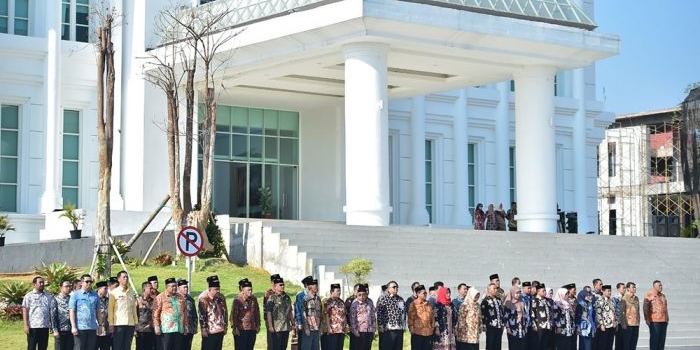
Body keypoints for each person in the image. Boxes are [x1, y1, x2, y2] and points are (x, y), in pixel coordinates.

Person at [153, 277, 188, 350]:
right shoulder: (160, 297)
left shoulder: (180, 297)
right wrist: (156, 326)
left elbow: (184, 312)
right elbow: (155, 313)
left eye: (175, 286)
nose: (174, 288)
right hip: (166, 330)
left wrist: (185, 326)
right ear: (166, 287)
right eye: (172, 286)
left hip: (179, 329)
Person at [70, 274, 100, 350]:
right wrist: (73, 327)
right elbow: (72, 311)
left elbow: (98, 311)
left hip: (92, 327)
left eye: (91, 281)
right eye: (87, 281)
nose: (89, 283)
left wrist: (99, 325)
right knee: (79, 348)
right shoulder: (75, 295)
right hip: (80, 327)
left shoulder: (95, 295)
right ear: (81, 282)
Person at [109, 270, 138, 350]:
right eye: (124, 277)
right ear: (119, 279)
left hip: (130, 324)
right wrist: (111, 324)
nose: (126, 279)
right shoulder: (114, 292)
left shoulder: (131, 292)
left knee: (127, 346)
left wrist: (136, 322)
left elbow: (134, 309)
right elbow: (110, 309)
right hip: (119, 324)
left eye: (127, 277)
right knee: (117, 346)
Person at [23, 276, 53, 350]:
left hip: (44, 326)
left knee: (43, 347)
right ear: (34, 284)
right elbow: (25, 310)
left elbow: (51, 310)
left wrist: (51, 324)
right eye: (40, 282)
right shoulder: (29, 296)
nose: (42, 284)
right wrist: (26, 325)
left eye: (43, 282)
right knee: (31, 347)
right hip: (33, 326)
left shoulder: (48, 296)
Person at [199, 275, 227, 350]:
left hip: (220, 330)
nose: (218, 291)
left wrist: (225, 325)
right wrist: (203, 328)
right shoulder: (204, 299)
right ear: (210, 289)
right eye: (216, 289)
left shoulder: (221, 298)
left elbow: (225, 312)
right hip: (210, 332)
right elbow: (202, 316)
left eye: (219, 289)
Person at [266, 275, 294, 350]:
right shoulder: (272, 298)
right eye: (280, 285)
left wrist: (293, 323)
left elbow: (290, 311)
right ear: (275, 287)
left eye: (283, 284)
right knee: (276, 347)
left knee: (283, 347)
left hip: (286, 327)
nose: (282, 286)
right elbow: (268, 312)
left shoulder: (287, 297)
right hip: (276, 327)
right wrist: (270, 326)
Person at [231, 278, 260, 350]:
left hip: (252, 329)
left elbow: (257, 312)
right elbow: (234, 315)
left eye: (251, 290)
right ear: (243, 290)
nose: (250, 292)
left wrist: (258, 325)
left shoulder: (254, 299)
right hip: (241, 329)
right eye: (248, 290)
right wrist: (235, 328)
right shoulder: (237, 300)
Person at [377, 280, 406, 350]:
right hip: (388, 329)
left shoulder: (400, 299)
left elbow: (403, 312)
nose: (396, 288)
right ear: (388, 288)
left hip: (399, 329)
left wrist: (403, 325)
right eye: (394, 287)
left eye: (397, 287)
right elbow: (379, 312)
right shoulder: (383, 298)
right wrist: (380, 325)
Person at [407, 285, 435, 350]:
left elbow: (432, 318)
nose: (425, 294)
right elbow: (410, 319)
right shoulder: (413, 304)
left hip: (428, 334)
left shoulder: (429, 304)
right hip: (417, 334)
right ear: (418, 294)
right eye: (423, 293)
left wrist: (432, 328)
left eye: (426, 293)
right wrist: (412, 330)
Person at [349, 284, 375, 350]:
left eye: (363, 294)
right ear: (356, 295)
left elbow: (373, 316)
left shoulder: (370, 302)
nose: (362, 296)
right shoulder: (355, 304)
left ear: (366, 294)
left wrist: (373, 330)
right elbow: (352, 319)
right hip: (359, 331)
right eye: (359, 295)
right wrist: (355, 331)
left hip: (369, 331)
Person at [643, 280, 668, 350]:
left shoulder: (663, 296)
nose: (661, 287)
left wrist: (667, 319)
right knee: (654, 340)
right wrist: (646, 319)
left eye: (661, 285)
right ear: (654, 286)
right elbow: (645, 308)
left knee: (661, 341)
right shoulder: (649, 295)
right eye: (659, 285)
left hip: (664, 320)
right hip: (654, 321)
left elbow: (665, 308)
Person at [481, 283, 504, 350]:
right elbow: (483, 313)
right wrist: (483, 325)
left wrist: (502, 323)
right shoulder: (485, 301)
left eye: (496, 288)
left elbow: (501, 312)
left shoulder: (498, 300)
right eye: (494, 288)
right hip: (490, 327)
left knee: (498, 345)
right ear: (489, 290)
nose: (495, 290)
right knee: (490, 345)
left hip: (499, 326)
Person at [323, 283, 346, 350]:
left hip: (341, 329)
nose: (339, 292)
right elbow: (326, 315)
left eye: (340, 290)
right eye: (337, 291)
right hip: (333, 330)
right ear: (331, 291)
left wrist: (345, 325)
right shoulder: (328, 302)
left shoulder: (341, 301)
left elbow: (344, 314)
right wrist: (329, 327)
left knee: (339, 348)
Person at [52, 279, 73, 350]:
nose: (69, 288)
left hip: (70, 330)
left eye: (70, 286)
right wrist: (55, 330)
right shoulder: (55, 299)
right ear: (61, 287)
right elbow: (53, 316)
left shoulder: (72, 298)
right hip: (60, 330)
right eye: (66, 286)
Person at [503, 286, 527, 350]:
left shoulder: (521, 302)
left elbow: (525, 315)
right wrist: (508, 328)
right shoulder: (508, 304)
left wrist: (525, 327)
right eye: (517, 293)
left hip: (521, 329)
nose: (518, 295)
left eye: (519, 293)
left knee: (521, 346)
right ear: (512, 293)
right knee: (513, 346)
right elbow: (506, 317)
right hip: (512, 329)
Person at [530, 284, 552, 350]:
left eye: (545, 290)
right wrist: (534, 325)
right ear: (538, 291)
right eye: (543, 291)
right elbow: (532, 313)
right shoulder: (534, 300)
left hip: (547, 326)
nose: (545, 292)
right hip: (539, 327)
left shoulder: (547, 300)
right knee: (539, 345)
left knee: (545, 345)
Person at [595, 285, 617, 350]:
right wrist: (601, 324)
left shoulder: (611, 301)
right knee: (603, 344)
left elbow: (613, 312)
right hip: (604, 326)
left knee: (610, 344)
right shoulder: (600, 301)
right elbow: (598, 313)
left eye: (610, 291)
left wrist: (615, 321)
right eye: (608, 291)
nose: (610, 292)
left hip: (612, 326)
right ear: (603, 291)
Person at [135, 281, 156, 350]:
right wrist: (135, 329)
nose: (152, 290)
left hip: (151, 329)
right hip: (141, 330)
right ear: (144, 289)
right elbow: (134, 314)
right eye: (150, 288)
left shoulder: (154, 301)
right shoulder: (138, 300)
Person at [179, 279, 198, 350]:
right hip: (179, 330)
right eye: (184, 287)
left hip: (189, 330)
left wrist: (194, 328)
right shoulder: (175, 299)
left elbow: (194, 315)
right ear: (179, 288)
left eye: (187, 287)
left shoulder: (190, 299)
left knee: (187, 347)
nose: (186, 289)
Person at [620, 282, 640, 350]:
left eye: (635, 287)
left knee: (633, 344)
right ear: (628, 288)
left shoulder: (636, 298)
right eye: (633, 287)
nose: (634, 288)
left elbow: (638, 310)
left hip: (636, 324)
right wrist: (623, 324)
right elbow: (622, 312)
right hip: (628, 324)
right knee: (627, 344)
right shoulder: (624, 298)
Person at [264, 274, 281, 350]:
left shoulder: (281, 293)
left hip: (281, 323)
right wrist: (269, 323)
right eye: (274, 281)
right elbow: (266, 310)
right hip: (271, 322)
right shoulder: (268, 294)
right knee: (271, 344)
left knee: (280, 344)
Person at [95, 280, 111, 350]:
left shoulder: (108, 300)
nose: (106, 290)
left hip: (107, 330)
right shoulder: (94, 299)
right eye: (105, 288)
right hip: (96, 330)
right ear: (99, 289)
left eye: (107, 289)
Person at [612, 283, 626, 350]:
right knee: (618, 341)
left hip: (624, 323)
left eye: (625, 288)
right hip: (618, 323)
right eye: (623, 288)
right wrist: (615, 321)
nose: (624, 289)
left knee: (624, 341)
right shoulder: (615, 298)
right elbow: (613, 310)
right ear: (618, 289)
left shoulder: (625, 297)